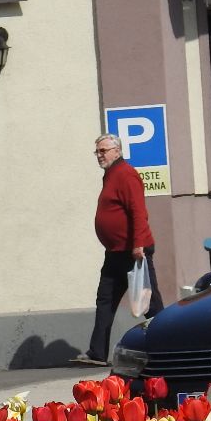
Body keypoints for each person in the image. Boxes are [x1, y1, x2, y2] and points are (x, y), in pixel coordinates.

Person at [75, 134, 163, 367]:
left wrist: (138, 244)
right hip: (115, 251)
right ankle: (97, 352)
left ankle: (166, 345)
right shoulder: (111, 174)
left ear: (117, 151)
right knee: (105, 299)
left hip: (133, 251)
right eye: (97, 151)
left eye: (103, 150)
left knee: (149, 303)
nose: (99, 155)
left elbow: (138, 211)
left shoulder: (126, 174)